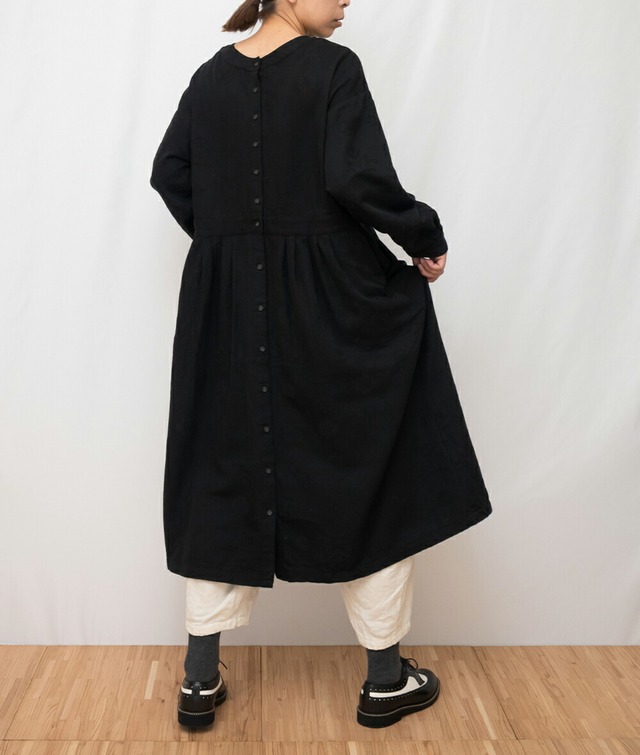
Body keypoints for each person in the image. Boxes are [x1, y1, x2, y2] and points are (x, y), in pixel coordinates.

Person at [149, 0, 492, 731]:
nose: (346, 3)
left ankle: (199, 680)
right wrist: (423, 235)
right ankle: (385, 679)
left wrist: (229, 239)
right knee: (367, 465)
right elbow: (355, 176)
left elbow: (169, 171)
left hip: (225, 306)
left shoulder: (210, 78)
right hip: (326, 301)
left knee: (221, 470)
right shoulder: (333, 69)